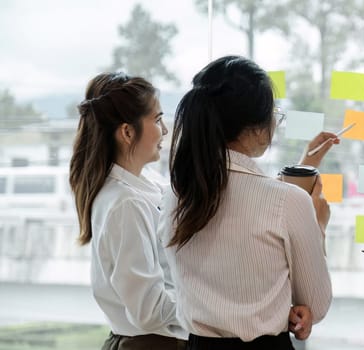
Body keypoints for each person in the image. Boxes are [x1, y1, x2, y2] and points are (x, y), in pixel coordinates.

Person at [159, 55, 335, 349]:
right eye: (275, 114)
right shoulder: (289, 201)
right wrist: (318, 225)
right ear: (256, 126)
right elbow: (315, 304)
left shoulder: (177, 194)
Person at [69, 72, 187, 349]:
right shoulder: (126, 203)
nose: (165, 130)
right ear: (127, 131)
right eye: (157, 120)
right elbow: (149, 310)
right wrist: (210, 306)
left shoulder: (149, 182)